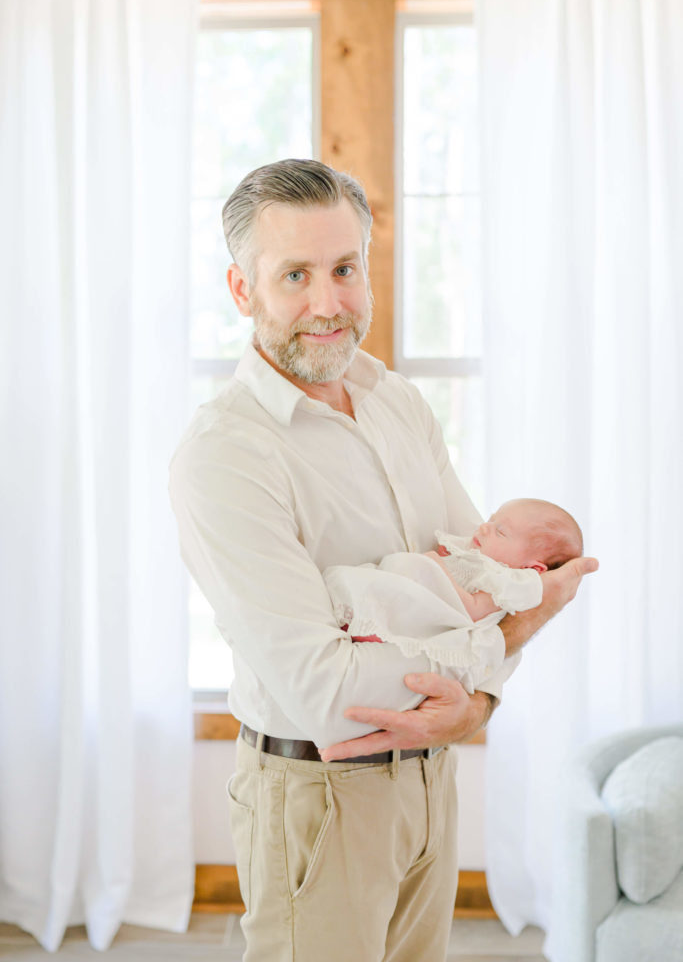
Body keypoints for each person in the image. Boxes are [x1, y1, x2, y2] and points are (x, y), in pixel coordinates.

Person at [169, 159, 598, 962]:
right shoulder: (224, 456)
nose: (327, 303)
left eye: (344, 269)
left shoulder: (397, 401)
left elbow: (487, 581)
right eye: (294, 274)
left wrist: (469, 707)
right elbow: (327, 693)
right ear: (241, 290)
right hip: (317, 795)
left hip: (431, 781)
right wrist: (486, 656)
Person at [326, 498, 583, 693]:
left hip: (436, 613)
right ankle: (363, 611)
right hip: (420, 600)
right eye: (491, 520)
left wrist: (435, 567)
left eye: (500, 532)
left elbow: (470, 611)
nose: (484, 528)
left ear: (531, 569)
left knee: (416, 571)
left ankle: (372, 623)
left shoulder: (501, 585)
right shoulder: (478, 558)